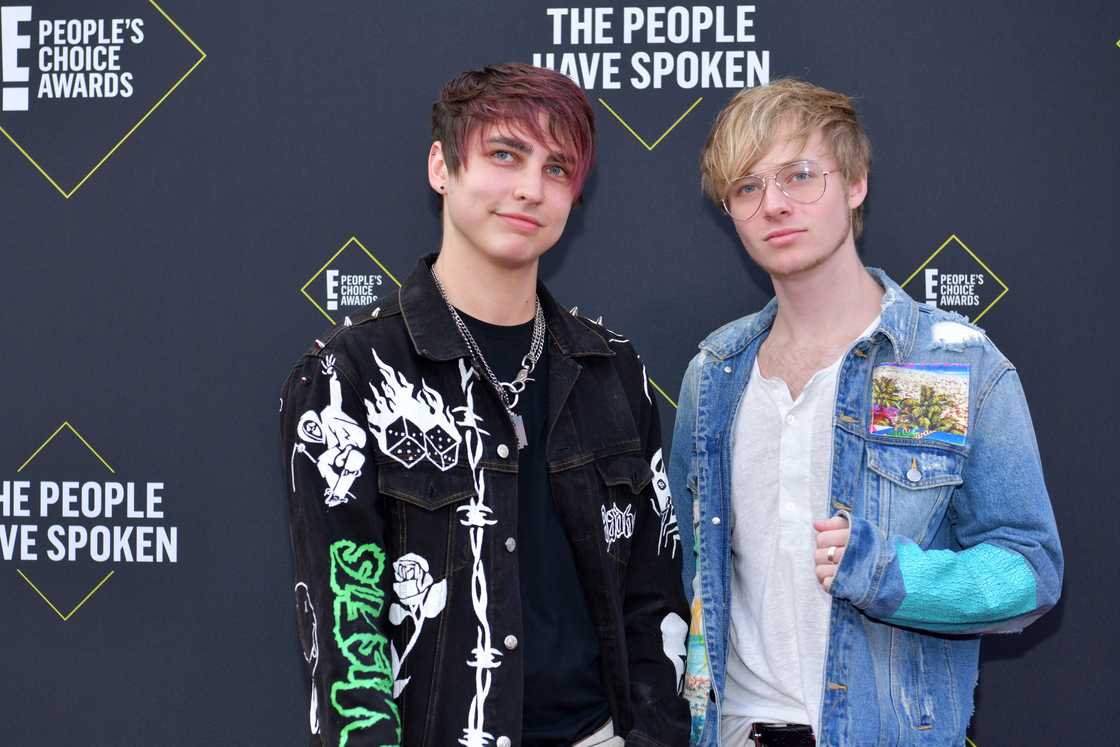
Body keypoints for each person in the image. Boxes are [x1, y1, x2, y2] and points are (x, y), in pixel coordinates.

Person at [280, 62, 690, 747]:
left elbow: (653, 597)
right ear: (442, 166)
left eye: (558, 168)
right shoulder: (347, 375)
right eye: (506, 155)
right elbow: (346, 633)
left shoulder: (613, 368)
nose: (531, 189)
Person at [668, 79, 1062, 746]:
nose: (775, 205)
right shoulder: (714, 374)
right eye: (748, 188)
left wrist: (887, 573)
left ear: (854, 183)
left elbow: (1030, 570)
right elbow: (688, 573)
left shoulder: (952, 366)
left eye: (800, 175)